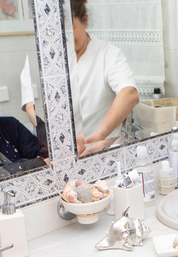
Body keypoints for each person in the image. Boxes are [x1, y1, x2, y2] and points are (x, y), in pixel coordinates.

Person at [71, 0, 140, 156]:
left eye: (72, 28)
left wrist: (99, 136)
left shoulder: (108, 54)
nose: (67, 37)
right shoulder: (59, 61)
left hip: (106, 153)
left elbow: (129, 94)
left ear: (85, 20)